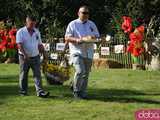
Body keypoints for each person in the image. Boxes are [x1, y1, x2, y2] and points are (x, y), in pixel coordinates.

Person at [65, 6, 100, 99]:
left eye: (87, 13)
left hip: (89, 52)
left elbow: (97, 36)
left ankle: (82, 92)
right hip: (76, 51)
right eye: (83, 13)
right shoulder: (73, 24)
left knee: (86, 74)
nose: (85, 15)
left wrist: (93, 38)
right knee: (80, 71)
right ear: (78, 13)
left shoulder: (92, 24)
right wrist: (77, 40)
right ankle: (76, 91)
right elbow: (67, 37)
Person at [16, 15, 49, 98]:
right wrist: (24, 54)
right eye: (31, 24)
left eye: (34, 24)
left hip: (36, 56)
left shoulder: (37, 32)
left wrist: (44, 53)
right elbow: (19, 45)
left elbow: (40, 44)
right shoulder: (21, 32)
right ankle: (23, 92)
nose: (32, 26)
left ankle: (40, 92)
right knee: (24, 74)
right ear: (26, 22)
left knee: (37, 74)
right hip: (24, 57)